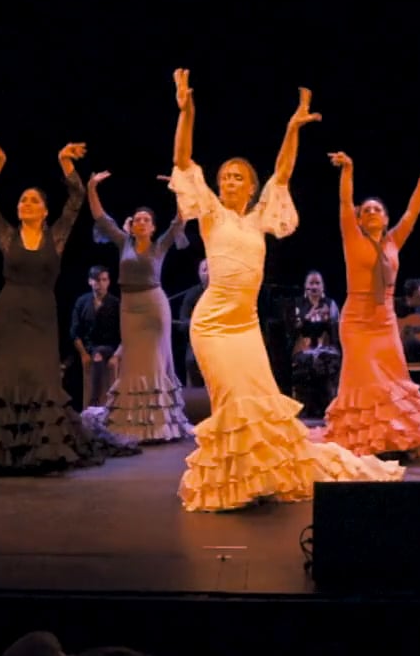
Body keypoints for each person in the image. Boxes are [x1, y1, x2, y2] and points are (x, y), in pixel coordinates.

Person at [165, 68, 404, 511]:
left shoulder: (258, 219)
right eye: (226, 176)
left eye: (239, 177)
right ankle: (232, 483)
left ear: (251, 187)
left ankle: (260, 475)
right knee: (233, 401)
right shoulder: (211, 214)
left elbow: (283, 172)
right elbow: (183, 161)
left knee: (259, 400)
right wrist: (187, 110)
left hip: (246, 325)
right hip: (214, 325)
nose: (230, 182)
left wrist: (293, 127)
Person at [0, 138, 138, 473]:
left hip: (43, 314)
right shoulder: (7, 235)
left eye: (34, 200)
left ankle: (42, 448)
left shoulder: (56, 236)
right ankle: (8, 451)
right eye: (22, 200)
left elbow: (76, 197)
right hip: (10, 313)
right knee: (9, 375)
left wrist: (64, 161)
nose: (26, 204)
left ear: (45, 210)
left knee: (41, 375)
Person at [318, 150, 420, 458]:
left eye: (377, 209)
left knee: (393, 381)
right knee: (365, 381)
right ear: (358, 217)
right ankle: (365, 441)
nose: (371, 213)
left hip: (385, 321)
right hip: (356, 321)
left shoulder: (393, 241)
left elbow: (413, 214)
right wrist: (348, 169)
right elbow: (343, 202)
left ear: (385, 217)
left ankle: (392, 440)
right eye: (365, 210)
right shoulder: (352, 237)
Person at [86, 170, 195, 442]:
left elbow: (180, 219)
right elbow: (101, 217)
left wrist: (178, 189)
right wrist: (91, 188)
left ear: (153, 227)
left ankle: (160, 424)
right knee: (133, 364)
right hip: (130, 309)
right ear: (132, 226)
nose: (141, 223)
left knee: (156, 363)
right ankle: (133, 423)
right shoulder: (123, 243)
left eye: (146, 220)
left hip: (154, 308)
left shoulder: (160, 245)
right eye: (137, 220)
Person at [287, 270, 342, 419]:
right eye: (311, 283)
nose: (314, 286)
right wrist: (308, 317)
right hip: (303, 348)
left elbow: (337, 331)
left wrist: (329, 321)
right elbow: (292, 328)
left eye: (318, 283)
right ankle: (306, 410)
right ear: (305, 286)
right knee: (307, 363)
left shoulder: (330, 304)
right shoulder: (298, 304)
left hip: (325, 347)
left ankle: (328, 409)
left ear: (323, 287)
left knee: (326, 361)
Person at [69, 264, 121, 409]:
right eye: (97, 280)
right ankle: (85, 405)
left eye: (104, 280)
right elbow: (74, 332)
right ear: (90, 281)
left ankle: (96, 402)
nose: (100, 284)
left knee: (99, 355)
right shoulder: (82, 302)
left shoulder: (115, 303)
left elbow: (122, 333)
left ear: (109, 282)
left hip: (110, 346)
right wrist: (83, 354)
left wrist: (117, 355)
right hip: (89, 346)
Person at [173, 258, 209, 389]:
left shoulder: (223, 293)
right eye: (204, 270)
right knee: (191, 360)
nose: (208, 273)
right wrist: (199, 324)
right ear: (199, 273)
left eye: (211, 269)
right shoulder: (192, 294)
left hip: (221, 339)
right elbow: (183, 322)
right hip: (198, 339)